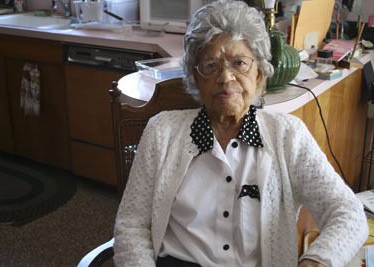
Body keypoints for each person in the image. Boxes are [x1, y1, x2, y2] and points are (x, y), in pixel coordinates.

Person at [113, 1, 368, 266]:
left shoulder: (287, 136)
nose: (225, 77)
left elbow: (348, 213)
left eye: (239, 63)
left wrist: (317, 261)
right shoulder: (161, 132)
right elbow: (132, 225)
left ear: (259, 73)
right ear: (195, 77)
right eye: (211, 66)